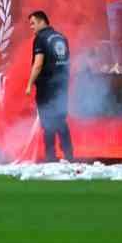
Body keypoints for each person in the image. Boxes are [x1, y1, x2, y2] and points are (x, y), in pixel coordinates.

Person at [26, 10, 73, 162]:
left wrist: (29, 84)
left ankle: (50, 158)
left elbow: (38, 64)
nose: (31, 27)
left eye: (33, 23)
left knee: (48, 122)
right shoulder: (61, 37)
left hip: (46, 86)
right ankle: (69, 155)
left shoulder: (40, 38)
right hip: (62, 86)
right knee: (60, 120)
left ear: (42, 22)